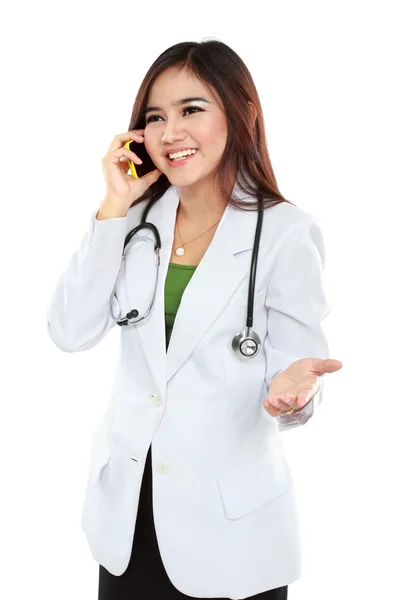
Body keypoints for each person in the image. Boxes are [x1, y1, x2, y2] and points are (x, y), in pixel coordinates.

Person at [46, 39, 342, 600]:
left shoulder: (285, 234)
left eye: (191, 110)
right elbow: (69, 331)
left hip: (235, 532)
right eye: (155, 117)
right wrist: (112, 206)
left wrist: (293, 396)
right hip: (129, 521)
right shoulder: (131, 222)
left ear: (241, 113)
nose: (170, 133)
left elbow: (301, 377)